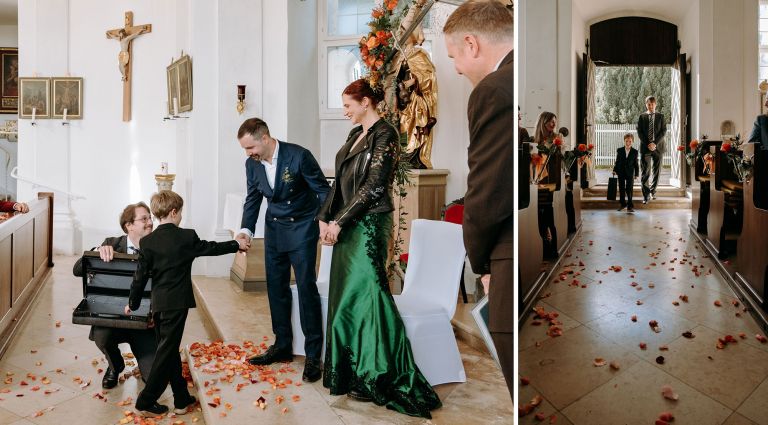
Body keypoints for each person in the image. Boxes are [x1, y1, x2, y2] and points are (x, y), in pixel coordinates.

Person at [317, 78, 441, 418]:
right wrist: (324, 218)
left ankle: (382, 374)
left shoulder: (386, 134)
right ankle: (355, 374)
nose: (344, 111)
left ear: (366, 102)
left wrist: (339, 222)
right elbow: (339, 182)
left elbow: (373, 187)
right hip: (346, 223)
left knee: (371, 295)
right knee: (346, 302)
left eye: (348, 105)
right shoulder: (352, 134)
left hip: (369, 225)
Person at [443, 0, 514, 402]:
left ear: (471, 44)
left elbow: (485, 193)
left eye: (453, 56)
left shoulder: (492, 89)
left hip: (504, 249)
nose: (454, 67)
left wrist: (482, 265)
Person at [126, 190, 247, 417]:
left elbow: (139, 277)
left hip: (159, 305)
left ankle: (181, 398)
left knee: (169, 351)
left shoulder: (148, 242)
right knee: (166, 353)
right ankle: (145, 402)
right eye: (180, 212)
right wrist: (235, 244)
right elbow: (211, 248)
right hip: (177, 304)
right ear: (173, 212)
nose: (181, 216)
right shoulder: (186, 237)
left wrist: (133, 303)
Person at [235, 118, 329, 384]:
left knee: (306, 288)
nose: (248, 153)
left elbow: (323, 191)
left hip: (302, 228)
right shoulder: (252, 164)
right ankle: (282, 346)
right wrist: (246, 230)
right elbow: (253, 198)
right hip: (274, 230)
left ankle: (313, 354)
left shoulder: (299, 156)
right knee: (276, 289)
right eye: (245, 149)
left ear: (265, 138)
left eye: (250, 147)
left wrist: (325, 222)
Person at [72, 202, 157, 389]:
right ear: (129, 225)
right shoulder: (111, 243)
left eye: (150, 217)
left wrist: (157, 315)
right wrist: (95, 253)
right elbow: (77, 270)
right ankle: (115, 365)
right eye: (144, 218)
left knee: (153, 380)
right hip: (113, 317)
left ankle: (144, 359)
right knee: (101, 336)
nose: (150, 222)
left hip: (145, 321)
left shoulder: (158, 247)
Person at [397, 11, 438, 169]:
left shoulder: (420, 54)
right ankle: (403, 154)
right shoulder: (399, 55)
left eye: (406, 31)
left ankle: (414, 156)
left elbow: (428, 77)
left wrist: (413, 81)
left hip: (416, 101)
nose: (403, 34)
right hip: (403, 103)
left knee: (414, 128)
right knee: (402, 128)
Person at [533, 111, 560, 260]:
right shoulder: (535, 140)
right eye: (550, 121)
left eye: (554, 121)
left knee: (549, 216)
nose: (553, 123)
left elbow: (557, 161)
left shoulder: (556, 139)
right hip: (536, 183)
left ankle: (553, 250)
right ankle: (543, 248)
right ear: (543, 122)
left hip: (549, 182)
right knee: (539, 218)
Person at [636, 95, 666, 204]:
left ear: (655, 104)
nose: (651, 106)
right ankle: (646, 195)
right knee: (645, 172)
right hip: (645, 148)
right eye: (649, 104)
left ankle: (653, 191)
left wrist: (654, 143)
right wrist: (649, 144)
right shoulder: (642, 117)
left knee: (656, 171)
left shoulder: (661, 116)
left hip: (658, 148)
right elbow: (640, 132)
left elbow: (663, 131)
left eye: (652, 104)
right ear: (646, 105)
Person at [613, 133, 640, 213]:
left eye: (630, 141)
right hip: (621, 172)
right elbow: (617, 161)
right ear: (624, 141)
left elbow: (636, 164)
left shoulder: (635, 152)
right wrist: (615, 170)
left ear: (632, 142)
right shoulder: (620, 150)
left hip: (630, 173)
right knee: (621, 188)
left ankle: (630, 206)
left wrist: (636, 174)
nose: (628, 143)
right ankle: (622, 204)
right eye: (626, 141)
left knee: (629, 189)